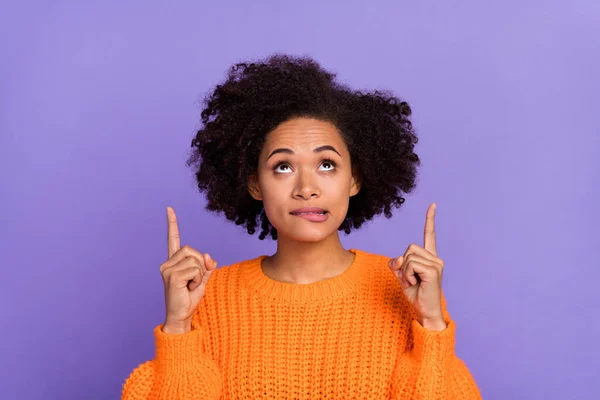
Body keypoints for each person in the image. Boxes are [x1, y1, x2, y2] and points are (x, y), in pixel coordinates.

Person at [121, 54, 482, 399]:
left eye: (327, 164)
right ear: (254, 184)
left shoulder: (406, 289)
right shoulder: (206, 296)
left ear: (354, 180)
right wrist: (178, 326)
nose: (306, 188)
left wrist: (432, 322)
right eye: (283, 166)